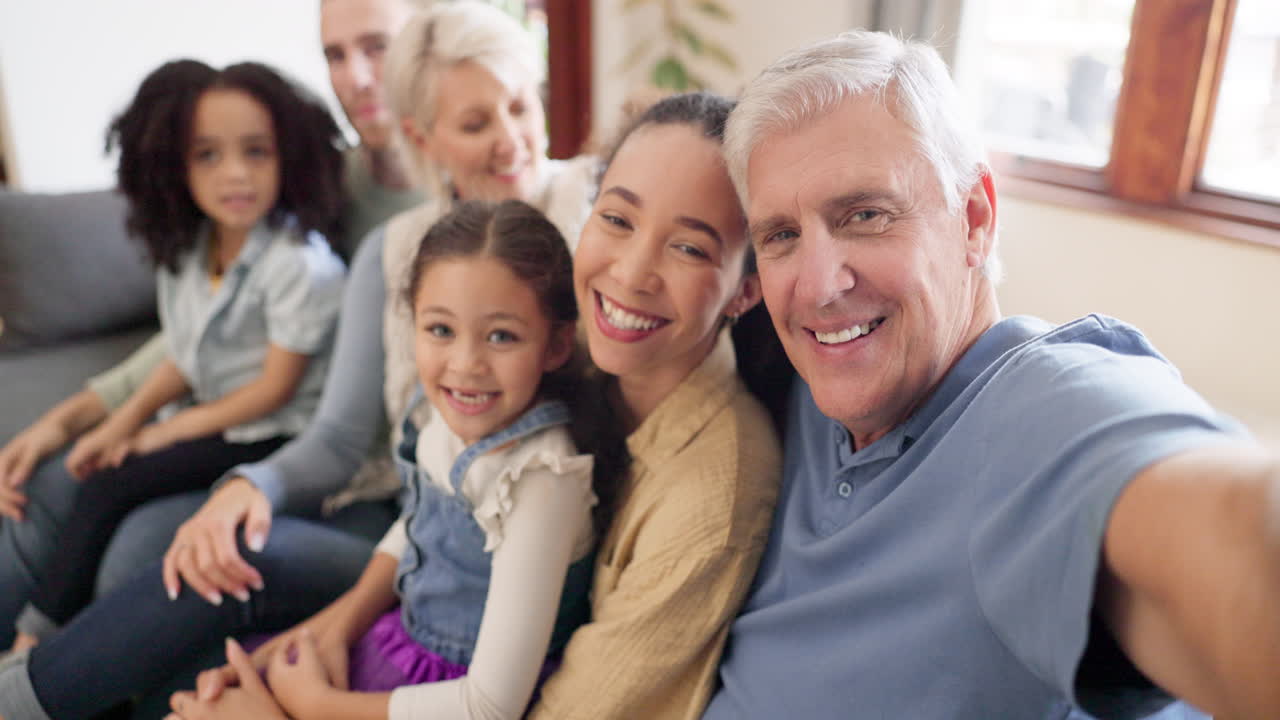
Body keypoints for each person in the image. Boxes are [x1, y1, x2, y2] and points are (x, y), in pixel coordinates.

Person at [699, 30, 1280, 719]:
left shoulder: (1035, 413)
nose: (820, 286)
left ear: (974, 219)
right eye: (782, 236)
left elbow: (1237, 539)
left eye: (865, 216)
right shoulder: (795, 377)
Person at [0, 0, 423, 649]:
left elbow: (282, 394)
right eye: (335, 54)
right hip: (234, 422)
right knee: (57, 478)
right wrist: (90, 418)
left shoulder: (314, 249)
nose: (357, 76)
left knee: (125, 519)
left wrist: (151, 436)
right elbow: (189, 346)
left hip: (312, 452)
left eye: (377, 46)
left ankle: (40, 649)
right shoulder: (271, 207)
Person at [206, 199, 610, 720]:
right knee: (213, 694)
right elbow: (420, 523)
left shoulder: (540, 481)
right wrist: (328, 631)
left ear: (555, 345)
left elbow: (490, 706)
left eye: (501, 336)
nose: (465, 365)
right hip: (400, 642)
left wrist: (316, 705)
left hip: (450, 701)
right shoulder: (452, 414)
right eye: (440, 330)